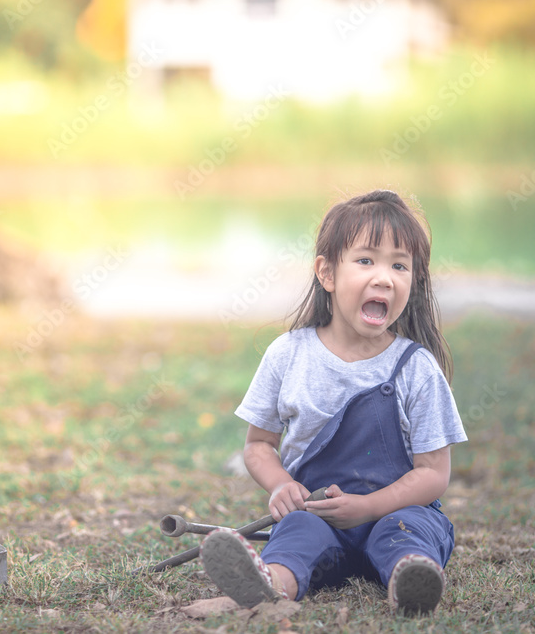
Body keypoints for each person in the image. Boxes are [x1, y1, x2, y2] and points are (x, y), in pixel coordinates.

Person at [199, 189, 467, 616]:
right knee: (297, 533)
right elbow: (258, 445)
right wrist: (281, 485)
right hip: (320, 518)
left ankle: (409, 580)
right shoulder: (288, 355)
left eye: (399, 265)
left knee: (408, 532)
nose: (384, 277)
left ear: (413, 281)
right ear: (327, 273)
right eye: (366, 260)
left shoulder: (416, 367)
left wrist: (368, 507)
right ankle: (271, 583)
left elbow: (433, 474)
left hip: (395, 511)